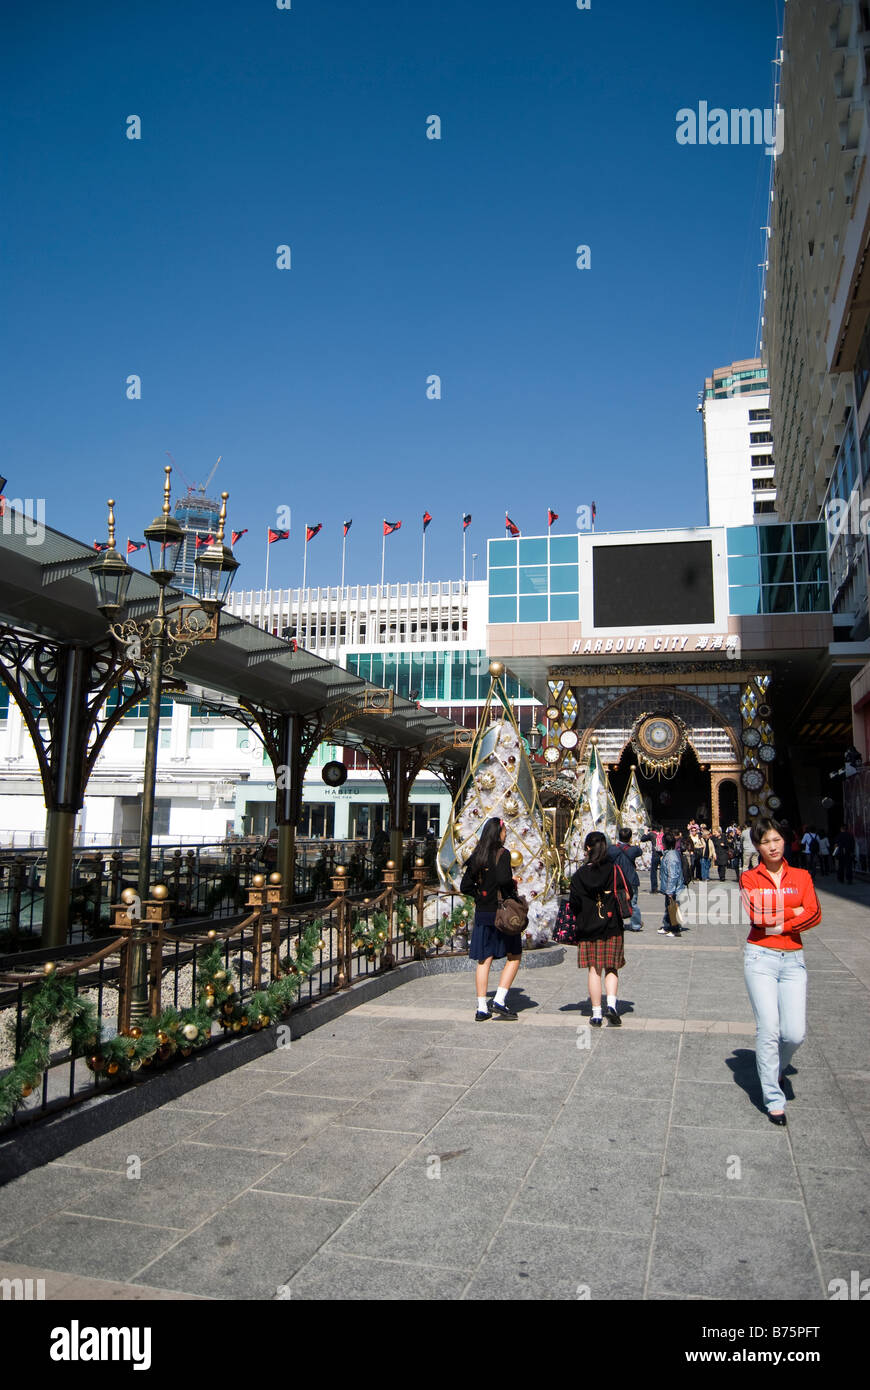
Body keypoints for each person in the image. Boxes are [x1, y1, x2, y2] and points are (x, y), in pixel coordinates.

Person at [740, 818, 821, 1125]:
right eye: (765, 842)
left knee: (795, 1033)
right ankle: (774, 1098)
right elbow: (758, 917)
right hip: (760, 957)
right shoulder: (750, 878)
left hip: (793, 960)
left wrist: (779, 916)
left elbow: (815, 914)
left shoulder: (801, 875)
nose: (772, 846)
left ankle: (776, 1068)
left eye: (776, 840)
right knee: (769, 1028)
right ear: (757, 847)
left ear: (783, 841)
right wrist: (794, 910)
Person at [460, 817, 522, 1020]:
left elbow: (465, 886)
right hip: (500, 912)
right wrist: (512, 884)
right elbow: (504, 879)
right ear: (499, 833)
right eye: (504, 831)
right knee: (514, 955)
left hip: (483, 912)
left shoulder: (477, 855)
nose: (506, 834)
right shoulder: (502, 854)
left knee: (483, 959)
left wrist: (480, 895)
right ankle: (499, 999)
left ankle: (481, 1008)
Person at [569, 831, 625, 1026]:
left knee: (594, 969)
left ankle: (596, 1013)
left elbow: (574, 903)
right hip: (612, 925)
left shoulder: (579, 875)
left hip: (588, 926)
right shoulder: (613, 869)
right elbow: (627, 892)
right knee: (612, 967)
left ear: (587, 848)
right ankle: (611, 1005)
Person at [608, 825, 643, 931]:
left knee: (616, 902)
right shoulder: (633, 850)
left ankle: (618, 923)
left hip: (617, 880)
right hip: (631, 879)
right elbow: (640, 851)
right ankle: (636, 924)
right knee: (633, 902)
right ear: (630, 838)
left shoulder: (612, 849)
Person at [659, 831, 685, 937]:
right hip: (670, 887)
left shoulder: (671, 857)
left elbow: (673, 875)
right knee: (669, 907)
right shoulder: (670, 853)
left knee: (672, 907)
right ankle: (667, 926)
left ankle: (675, 929)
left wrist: (670, 890)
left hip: (674, 888)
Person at [640, 824, 664, 893]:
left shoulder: (651, 834)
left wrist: (645, 832)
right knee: (663, 871)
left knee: (653, 871)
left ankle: (654, 888)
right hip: (663, 854)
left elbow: (643, 839)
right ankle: (664, 887)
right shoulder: (663, 834)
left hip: (655, 854)